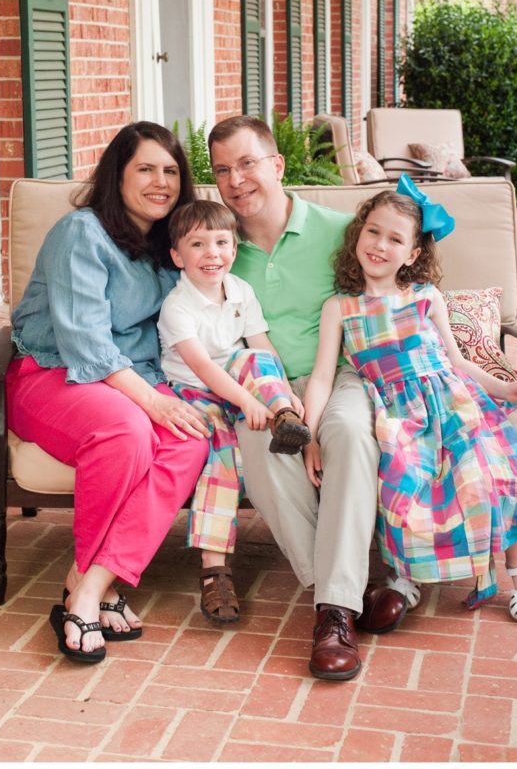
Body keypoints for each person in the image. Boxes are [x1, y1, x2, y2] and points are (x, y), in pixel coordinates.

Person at [207, 115, 407, 683]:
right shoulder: (216, 246)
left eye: (247, 163)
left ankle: (334, 607)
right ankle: (339, 603)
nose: (235, 180)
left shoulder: (340, 230)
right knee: (258, 442)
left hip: (342, 374)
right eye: (222, 170)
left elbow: (397, 287)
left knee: (349, 432)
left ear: (277, 165)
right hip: (261, 385)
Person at [6, 122, 210, 664]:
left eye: (170, 171)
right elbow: (87, 345)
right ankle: (95, 592)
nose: (160, 182)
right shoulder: (82, 233)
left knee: (190, 440)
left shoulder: (170, 245)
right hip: (54, 372)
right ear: (117, 175)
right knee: (126, 432)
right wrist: (154, 401)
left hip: (134, 378)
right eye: (145, 169)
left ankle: (90, 583)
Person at [304, 174, 517, 623]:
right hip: (397, 416)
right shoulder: (340, 307)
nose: (380, 245)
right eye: (373, 231)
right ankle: (406, 573)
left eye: (395, 239)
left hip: (451, 404)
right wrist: (311, 436)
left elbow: (457, 362)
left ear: (413, 254)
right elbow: (321, 378)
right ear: (358, 234)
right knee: (401, 486)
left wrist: (506, 388)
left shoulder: (425, 297)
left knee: (483, 470)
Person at [158, 199, 310, 624]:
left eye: (221, 242)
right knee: (224, 459)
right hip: (197, 393)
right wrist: (247, 401)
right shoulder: (177, 306)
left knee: (253, 358)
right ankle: (215, 570)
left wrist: (283, 393)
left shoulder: (240, 290)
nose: (212, 253)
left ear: (234, 247)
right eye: (198, 244)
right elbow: (203, 368)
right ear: (177, 256)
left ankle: (285, 417)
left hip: (241, 385)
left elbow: (261, 345)